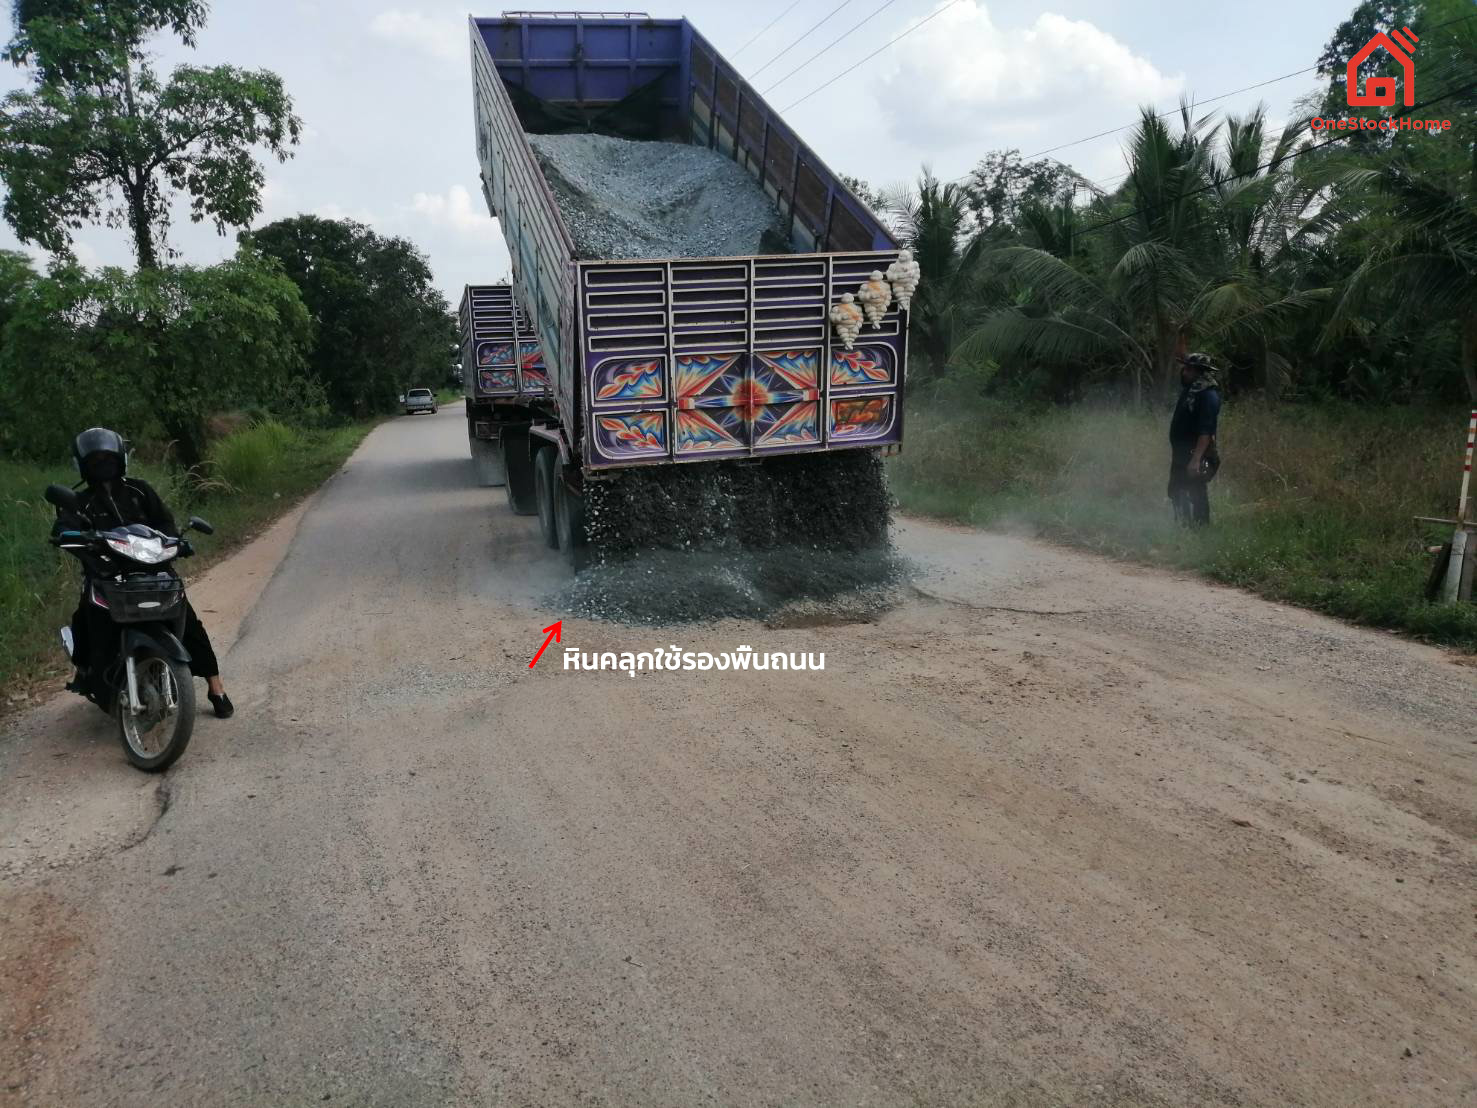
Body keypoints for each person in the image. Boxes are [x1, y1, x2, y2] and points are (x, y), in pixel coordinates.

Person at [54, 428, 235, 718]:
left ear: (120, 459)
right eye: (95, 459)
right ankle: (92, 679)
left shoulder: (139, 490)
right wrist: (67, 535)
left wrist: (176, 541)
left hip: (152, 571)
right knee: (86, 622)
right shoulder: (81, 501)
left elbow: (165, 523)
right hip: (105, 575)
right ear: (82, 464)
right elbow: (65, 527)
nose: (103, 464)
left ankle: (216, 686)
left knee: (188, 622)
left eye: (108, 458)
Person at [1167, 352, 1222, 526]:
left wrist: (1196, 459)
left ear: (1199, 372)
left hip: (1195, 453)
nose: (1184, 372)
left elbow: (1206, 431)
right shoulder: (1192, 390)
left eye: (1188, 369)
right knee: (1177, 489)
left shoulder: (1208, 395)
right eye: (1185, 368)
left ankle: (1200, 530)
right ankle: (1182, 526)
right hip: (1182, 452)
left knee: (1196, 492)